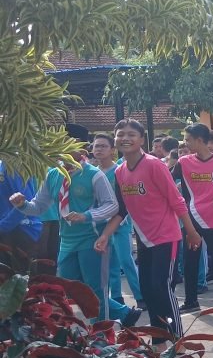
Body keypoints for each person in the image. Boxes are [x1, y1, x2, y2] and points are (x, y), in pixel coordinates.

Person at [95, 120, 201, 338]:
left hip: (166, 237)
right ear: (115, 140)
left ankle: (178, 340)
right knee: (148, 290)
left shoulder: (154, 165)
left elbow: (177, 201)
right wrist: (105, 235)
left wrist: (191, 232)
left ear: (142, 139)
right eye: (120, 134)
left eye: (131, 134)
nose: (126, 138)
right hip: (144, 239)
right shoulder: (120, 171)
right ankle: (159, 339)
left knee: (161, 287)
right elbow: (121, 209)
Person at [11, 157, 143, 327]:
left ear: (80, 150)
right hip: (67, 240)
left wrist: (86, 216)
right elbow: (38, 206)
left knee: (96, 289)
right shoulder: (53, 174)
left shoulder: (94, 174)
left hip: (92, 239)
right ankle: (124, 313)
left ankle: (100, 335)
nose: (62, 154)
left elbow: (112, 206)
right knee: (70, 288)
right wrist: (22, 205)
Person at [172, 124, 213, 313]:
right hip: (191, 218)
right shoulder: (183, 162)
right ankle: (191, 300)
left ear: (199, 140)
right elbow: (168, 180)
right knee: (190, 261)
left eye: (188, 139)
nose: (185, 143)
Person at [92, 133, 144, 309]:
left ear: (112, 150)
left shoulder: (119, 171)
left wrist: (121, 219)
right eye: (96, 146)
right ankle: (116, 298)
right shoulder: (92, 172)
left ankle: (140, 296)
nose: (99, 149)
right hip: (101, 224)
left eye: (103, 146)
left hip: (121, 222)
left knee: (125, 260)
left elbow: (127, 198)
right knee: (109, 264)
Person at [0, 159, 41, 275]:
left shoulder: (13, 165)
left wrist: (2, 227)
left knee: (19, 286)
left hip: (19, 232)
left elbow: (25, 203)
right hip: (6, 232)